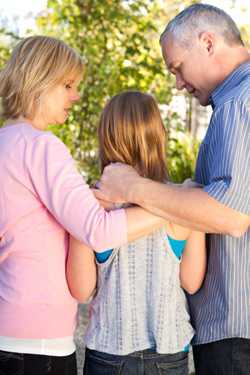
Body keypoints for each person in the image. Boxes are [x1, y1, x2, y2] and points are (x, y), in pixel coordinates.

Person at [96, 4, 250, 375]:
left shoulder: (238, 102)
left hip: (236, 330)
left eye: (177, 67)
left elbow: (231, 215)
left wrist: (132, 186)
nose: (178, 83)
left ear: (208, 42)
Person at [0, 36, 167, 375]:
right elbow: (98, 231)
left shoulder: (5, 143)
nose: (75, 96)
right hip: (38, 345)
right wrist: (176, 202)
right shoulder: (42, 147)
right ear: (40, 82)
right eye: (68, 85)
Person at [67, 91, 206, 375]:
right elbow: (192, 282)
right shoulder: (182, 201)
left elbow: (81, 290)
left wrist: (76, 225)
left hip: (109, 352)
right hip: (168, 352)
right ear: (158, 136)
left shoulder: (92, 206)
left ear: (106, 139)